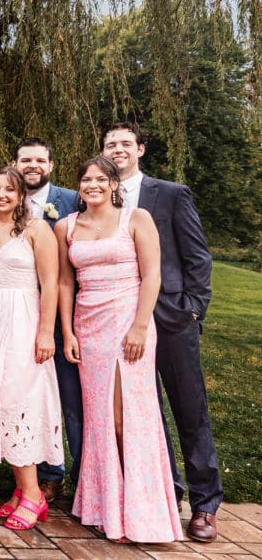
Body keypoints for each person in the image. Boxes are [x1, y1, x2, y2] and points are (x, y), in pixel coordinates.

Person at [102, 122, 220, 542]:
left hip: (169, 316)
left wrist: (192, 311)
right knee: (141, 412)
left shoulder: (169, 193)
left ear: (141, 150)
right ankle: (167, 491)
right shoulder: (98, 196)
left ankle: (205, 504)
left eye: (125, 144)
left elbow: (197, 255)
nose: (118, 150)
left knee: (189, 409)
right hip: (117, 321)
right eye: (110, 144)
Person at [57, 155, 182, 543]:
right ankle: (102, 505)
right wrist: (67, 333)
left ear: (114, 184)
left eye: (100, 179)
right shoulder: (66, 226)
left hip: (128, 322)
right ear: (79, 186)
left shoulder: (137, 219)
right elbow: (64, 283)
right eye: (86, 180)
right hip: (87, 325)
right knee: (98, 417)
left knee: (125, 416)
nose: (92, 185)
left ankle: (137, 509)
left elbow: (153, 274)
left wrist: (141, 326)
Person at [0, 167, 63, 531]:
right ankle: (22, 491)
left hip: (22, 320)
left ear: (21, 196)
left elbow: (50, 283)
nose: (0, 194)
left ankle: (34, 493)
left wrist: (45, 333)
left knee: (17, 401)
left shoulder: (37, 229)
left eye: (8, 189)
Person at [11, 137, 81, 503]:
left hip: (65, 315)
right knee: (26, 395)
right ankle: (40, 477)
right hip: (16, 314)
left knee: (70, 398)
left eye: (40, 160)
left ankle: (83, 477)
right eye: (26, 160)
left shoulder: (72, 201)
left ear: (51, 166)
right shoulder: (3, 200)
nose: (32, 165)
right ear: (15, 163)